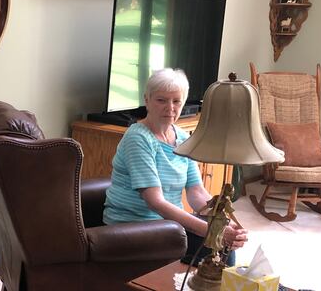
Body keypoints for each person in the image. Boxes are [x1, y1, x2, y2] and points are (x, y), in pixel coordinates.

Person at [102, 68, 247, 266]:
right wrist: (211, 230)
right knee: (216, 246)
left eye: (176, 101)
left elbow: (196, 192)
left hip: (168, 225)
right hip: (133, 225)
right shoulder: (137, 138)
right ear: (147, 100)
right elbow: (156, 202)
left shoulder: (182, 138)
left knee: (222, 245)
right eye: (161, 100)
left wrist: (221, 220)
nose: (170, 107)